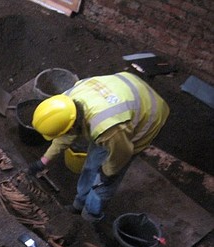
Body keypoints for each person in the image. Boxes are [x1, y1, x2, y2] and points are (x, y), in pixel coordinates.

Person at [28, 71, 170, 223]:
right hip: (124, 92)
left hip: (150, 113)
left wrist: (107, 173)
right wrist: (43, 161)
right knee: (92, 165)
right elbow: (65, 136)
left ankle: (89, 218)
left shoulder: (108, 129)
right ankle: (79, 204)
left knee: (104, 183)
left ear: (71, 125)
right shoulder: (67, 102)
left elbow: (122, 153)